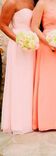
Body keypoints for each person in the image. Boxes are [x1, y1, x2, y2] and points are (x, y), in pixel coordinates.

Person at [31, 0, 56, 131]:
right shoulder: (42, 3)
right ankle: (45, 121)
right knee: (47, 83)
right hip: (46, 45)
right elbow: (34, 27)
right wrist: (48, 42)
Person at [0, 0, 35, 134]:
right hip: (18, 44)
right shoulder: (11, 2)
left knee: (28, 80)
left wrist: (30, 41)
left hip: (31, 45)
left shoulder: (33, 2)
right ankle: (17, 121)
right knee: (18, 80)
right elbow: (2, 25)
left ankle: (29, 120)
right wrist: (19, 40)